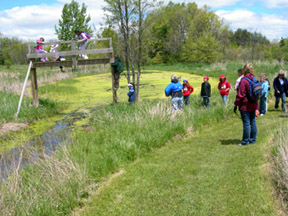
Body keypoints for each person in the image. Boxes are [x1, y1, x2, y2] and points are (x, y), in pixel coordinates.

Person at [234, 63, 258, 146]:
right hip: (253, 104)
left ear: (244, 70)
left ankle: (245, 141)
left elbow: (240, 94)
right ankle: (253, 139)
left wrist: (236, 104)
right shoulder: (254, 79)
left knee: (246, 123)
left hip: (245, 105)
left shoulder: (244, 80)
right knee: (253, 122)